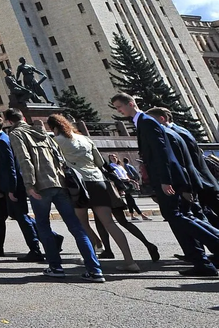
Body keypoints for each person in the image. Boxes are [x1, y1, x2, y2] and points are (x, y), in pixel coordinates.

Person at [112, 94, 219, 276]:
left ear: (131, 104)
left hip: (168, 180)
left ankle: (214, 245)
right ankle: (201, 262)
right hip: (169, 179)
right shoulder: (143, 122)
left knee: (176, 216)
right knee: (183, 216)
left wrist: (165, 181)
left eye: (119, 107)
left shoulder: (146, 122)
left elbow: (162, 153)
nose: (118, 111)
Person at [6, 108, 105, 282]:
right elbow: (59, 157)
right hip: (60, 184)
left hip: (40, 186)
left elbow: (24, 159)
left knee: (43, 226)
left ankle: (55, 267)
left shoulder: (16, 134)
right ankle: (95, 270)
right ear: (22, 116)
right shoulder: (42, 132)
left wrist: (29, 185)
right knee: (76, 227)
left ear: (8, 121)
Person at [44, 114, 140, 273]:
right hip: (98, 182)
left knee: (82, 224)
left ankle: (92, 256)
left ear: (53, 128)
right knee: (109, 223)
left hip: (78, 185)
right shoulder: (85, 139)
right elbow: (100, 163)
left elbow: (57, 163)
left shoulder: (56, 141)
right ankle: (130, 261)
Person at [0, 116, 43, 261]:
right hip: (12, 185)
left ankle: (35, 249)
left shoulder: (2, 140)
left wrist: (11, 189)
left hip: (14, 186)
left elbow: (10, 166)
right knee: (19, 216)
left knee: (22, 217)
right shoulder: (2, 138)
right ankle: (50, 241)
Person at [106, 153, 148, 220]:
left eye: (114, 157)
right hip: (121, 183)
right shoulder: (111, 166)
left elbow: (125, 175)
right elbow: (115, 176)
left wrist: (131, 180)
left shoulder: (120, 166)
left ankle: (132, 215)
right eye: (111, 157)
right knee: (130, 199)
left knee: (129, 200)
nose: (114, 158)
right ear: (110, 159)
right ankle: (141, 214)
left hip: (127, 182)